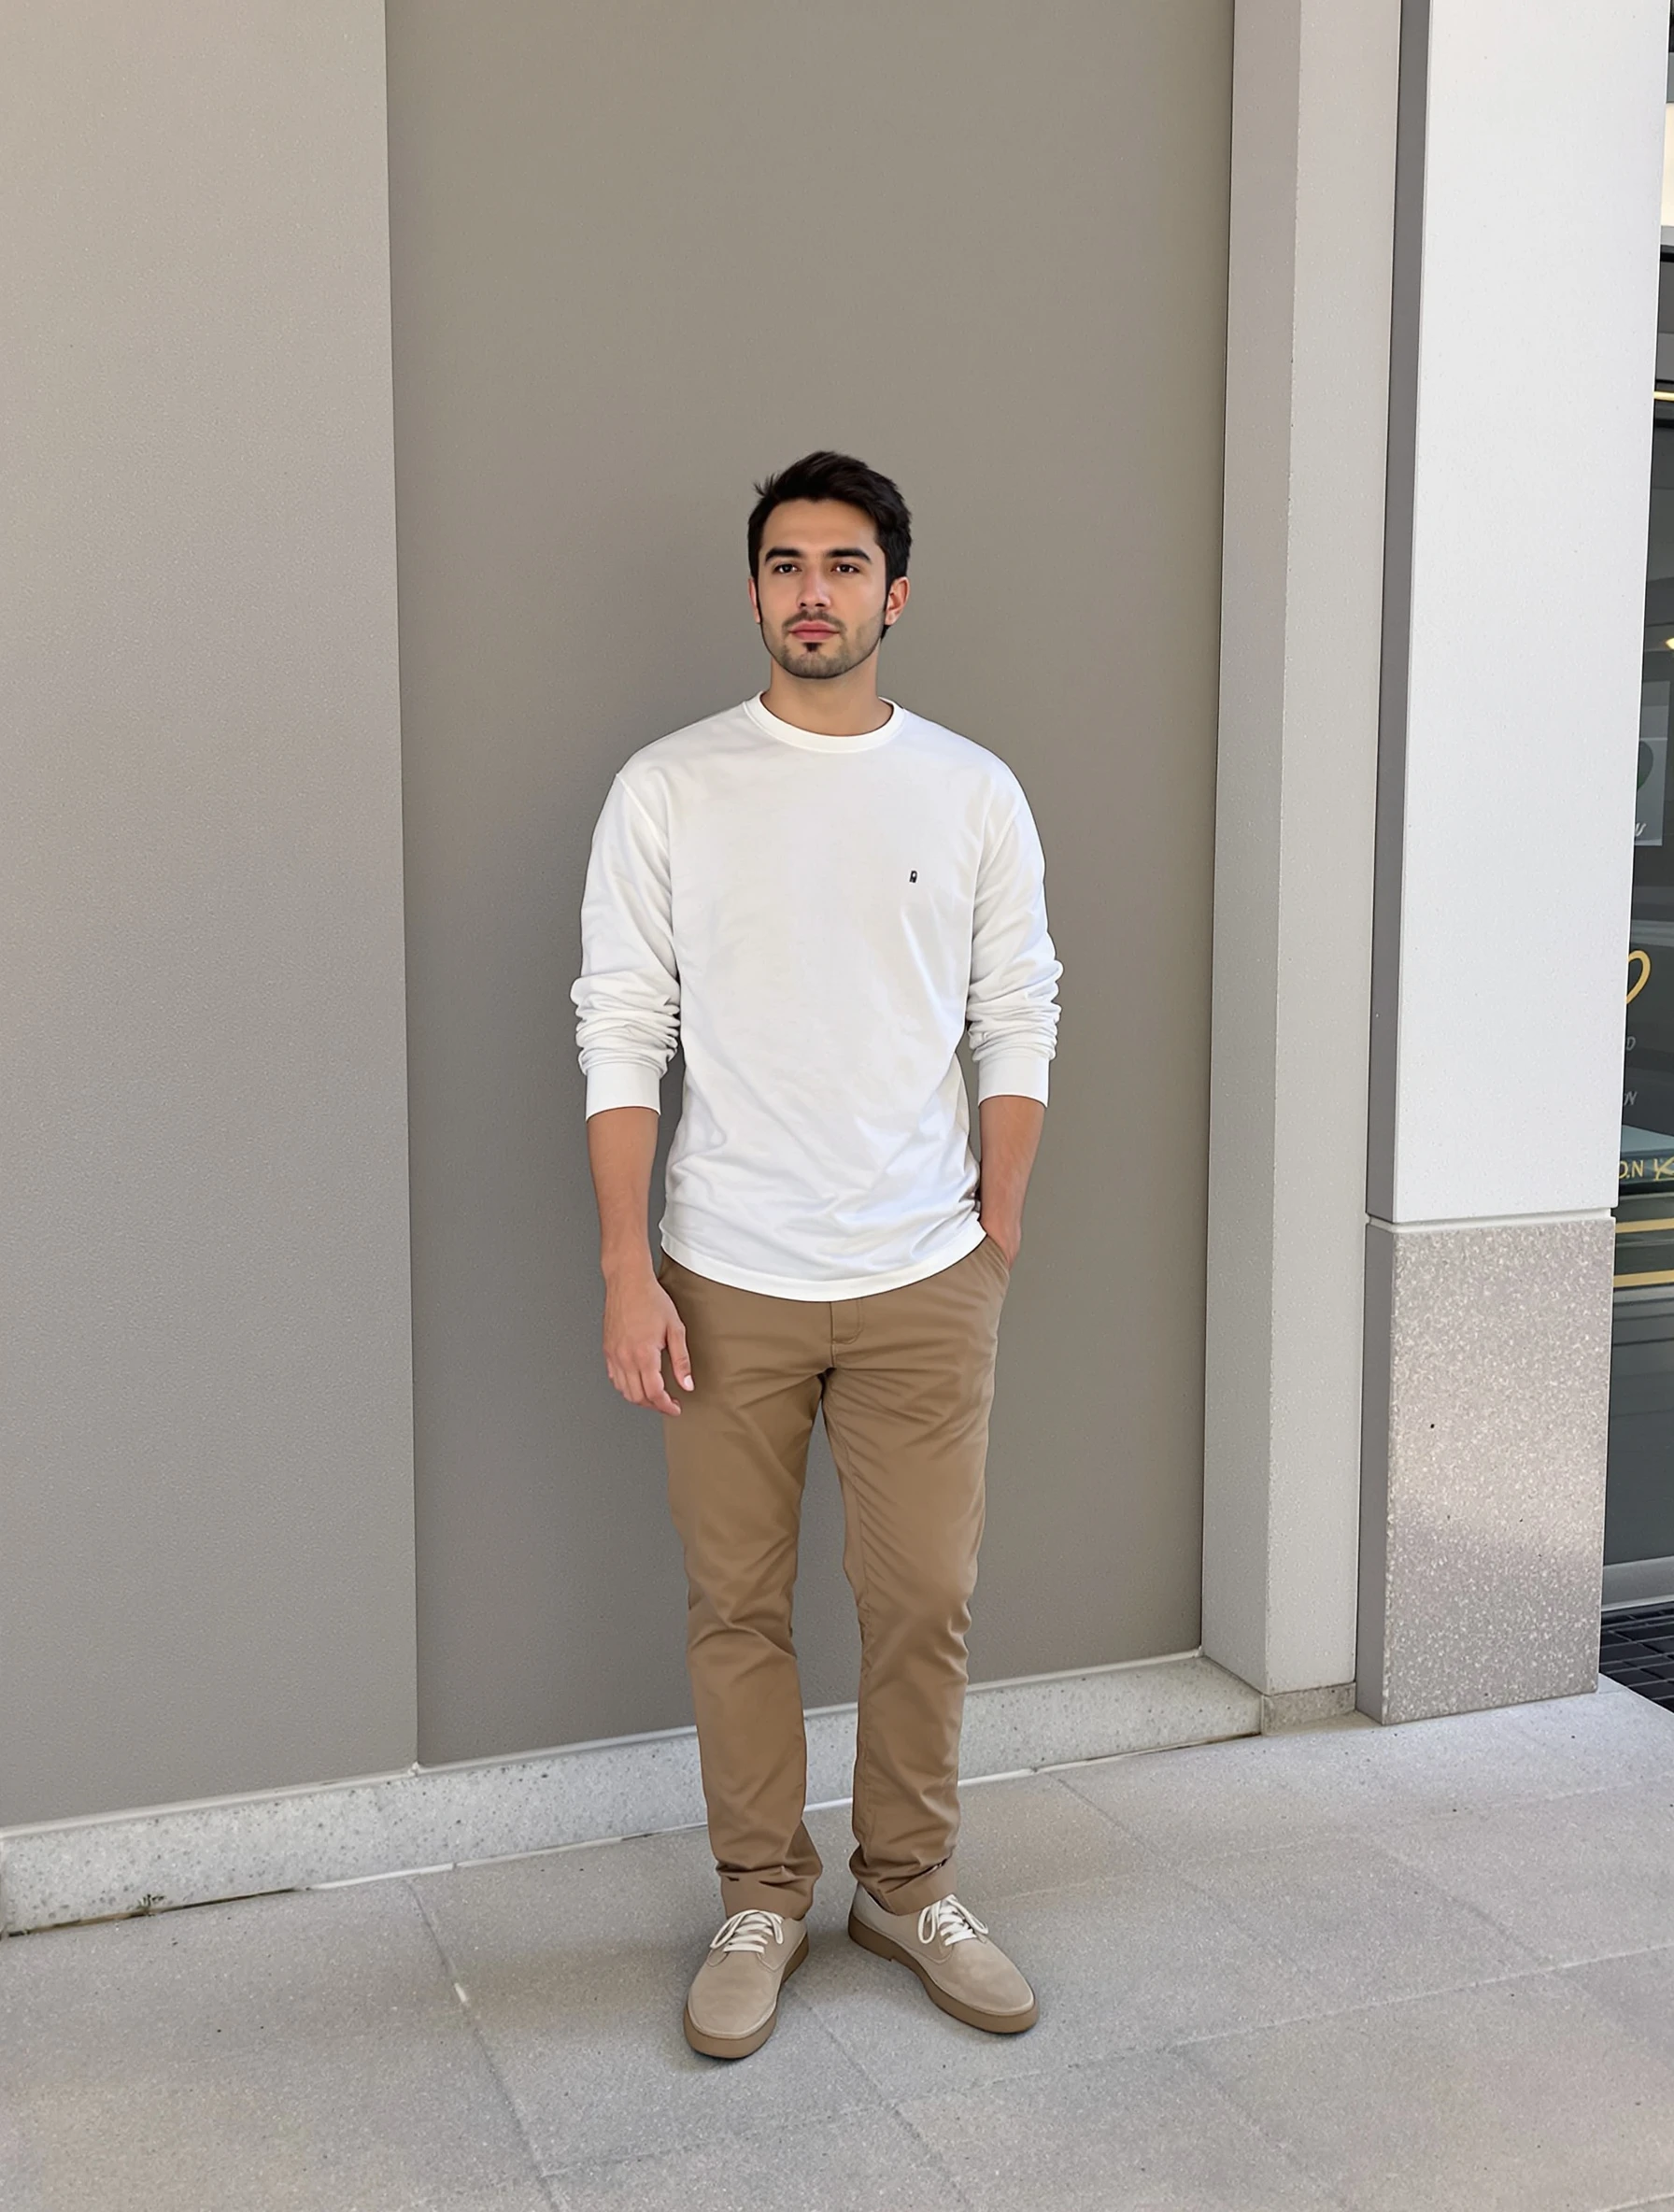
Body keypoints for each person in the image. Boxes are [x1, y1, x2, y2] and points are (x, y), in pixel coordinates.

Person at [571, 450, 1061, 2060]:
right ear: (758, 590)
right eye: (787, 565)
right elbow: (621, 1030)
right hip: (724, 1273)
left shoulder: (972, 790)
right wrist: (626, 1267)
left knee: (926, 1593)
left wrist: (995, 1220)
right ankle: (762, 1894)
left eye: (845, 566)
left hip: (925, 1275)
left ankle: (906, 1884)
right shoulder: (670, 788)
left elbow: (1018, 1008)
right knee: (739, 1604)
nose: (813, 593)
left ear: (894, 594)